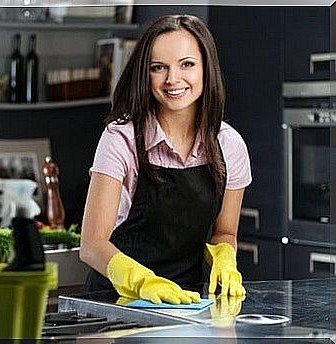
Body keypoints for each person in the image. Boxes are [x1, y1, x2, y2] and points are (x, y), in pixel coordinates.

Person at [79, 14, 252, 305]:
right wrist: (142, 282)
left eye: (187, 64)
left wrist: (225, 256)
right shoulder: (121, 139)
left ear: (206, 69)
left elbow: (224, 232)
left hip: (189, 305)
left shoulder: (229, 145)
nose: (173, 79)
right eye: (158, 68)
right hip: (116, 303)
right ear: (144, 75)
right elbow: (92, 245)